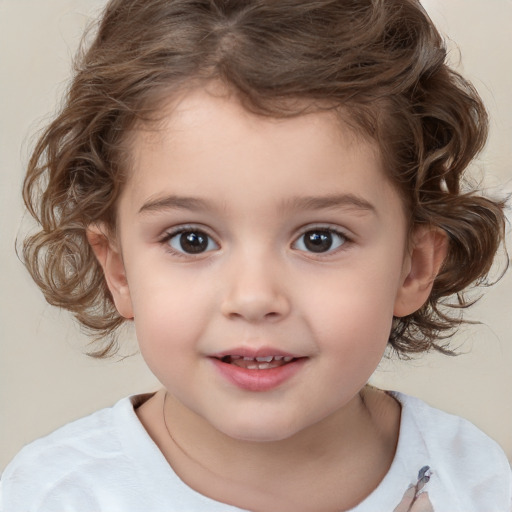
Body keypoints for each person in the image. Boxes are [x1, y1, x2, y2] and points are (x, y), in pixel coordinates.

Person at [1, 0, 510, 510]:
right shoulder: (56, 496)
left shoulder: (475, 484)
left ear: (414, 266)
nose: (253, 298)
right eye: (191, 240)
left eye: (319, 239)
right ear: (118, 268)